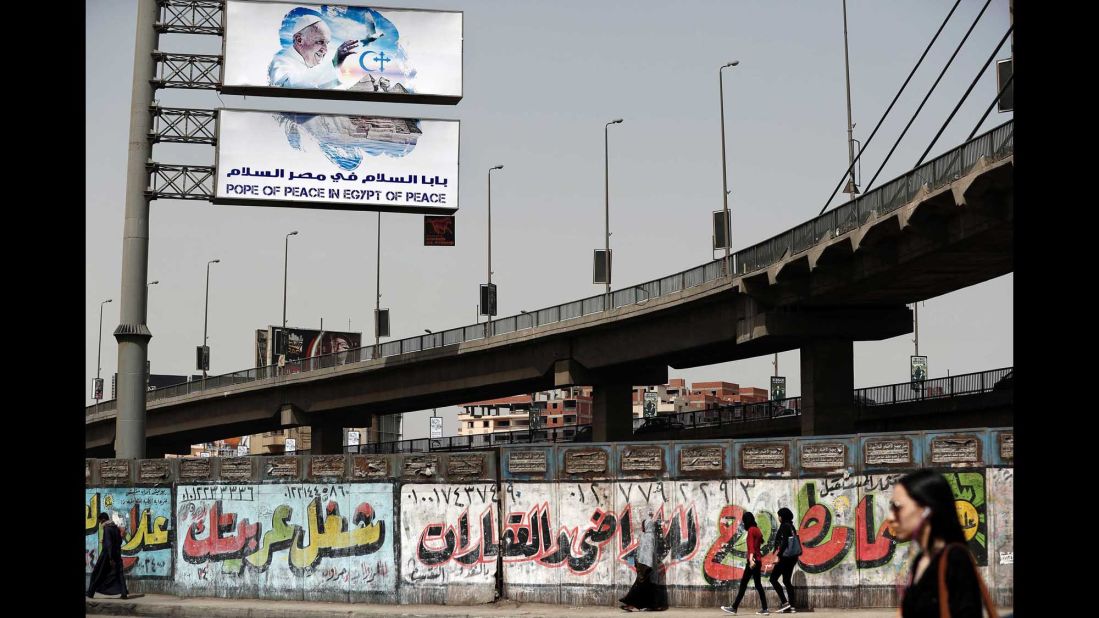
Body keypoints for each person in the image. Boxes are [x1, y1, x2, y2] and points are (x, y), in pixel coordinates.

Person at [887, 469, 997, 618]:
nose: (890, 517)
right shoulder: (921, 559)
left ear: (927, 509)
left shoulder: (955, 559)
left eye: (897, 507)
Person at [268, 13, 363, 89]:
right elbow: (285, 87)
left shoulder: (315, 63)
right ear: (299, 40)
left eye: (327, 43)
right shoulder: (280, 61)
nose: (325, 50)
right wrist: (334, 63)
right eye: (320, 42)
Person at [721, 511, 769, 615]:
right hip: (758, 561)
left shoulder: (751, 530)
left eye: (743, 521)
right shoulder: (757, 530)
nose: (743, 523)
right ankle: (765, 609)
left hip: (753, 561)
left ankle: (734, 608)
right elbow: (759, 543)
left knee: (743, 584)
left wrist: (751, 560)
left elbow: (751, 547)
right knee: (758, 585)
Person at [619, 511, 668, 612]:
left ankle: (631, 604)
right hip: (645, 566)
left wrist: (645, 566)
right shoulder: (648, 536)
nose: (642, 527)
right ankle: (651, 605)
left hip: (646, 567)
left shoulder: (649, 537)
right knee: (647, 587)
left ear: (647, 525)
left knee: (639, 586)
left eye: (643, 524)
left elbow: (648, 553)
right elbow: (643, 551)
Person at [86, 512, 128, 599]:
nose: (101, 524)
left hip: (107, 555)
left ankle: (90, 593)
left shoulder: (107, 528)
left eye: (100, 522)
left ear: (104, 520)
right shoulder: (115, 528)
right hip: (117, 553)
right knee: (119, 573)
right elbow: (119, 541)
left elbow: (109, 544)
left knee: (98, 573)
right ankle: (124, 593)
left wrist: (110, 558)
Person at [769, 507, 799, 613]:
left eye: (779, 515)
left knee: (773, 579)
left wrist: (778, 555)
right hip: (792, 558)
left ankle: (785, 603)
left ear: (783, 516)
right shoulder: (791, 526)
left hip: (785, 558)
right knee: (786, 581)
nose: (778, 518)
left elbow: (785, 542)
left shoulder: (785, 526)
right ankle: (792, 606)